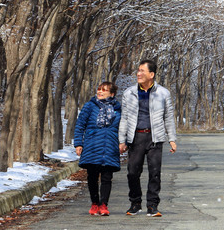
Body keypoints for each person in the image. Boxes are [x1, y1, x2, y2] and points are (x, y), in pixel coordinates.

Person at [119, 59, 177, 217]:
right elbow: (124, 118)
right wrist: (122, 141)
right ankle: (135, 203)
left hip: (155, 137)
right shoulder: (129, 93)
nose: (138, 74)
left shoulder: (163, 93)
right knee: (132, 172)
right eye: (138, 70)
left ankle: (152, 205)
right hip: (136, 136)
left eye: (142, 71)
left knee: (155, 173)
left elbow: (168, 117)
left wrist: (172, 139)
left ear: (151, 74)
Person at [74, 81, 122, 216]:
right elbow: (80, 125)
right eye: (99, 89)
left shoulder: (118, 109)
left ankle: (104, 205)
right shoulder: (90, 106)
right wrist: (78, 144)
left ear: (112, 94)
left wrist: (123, 143)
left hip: (110, 146)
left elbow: (123, 128)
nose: (100, 92)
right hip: (92, 146)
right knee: (92, 177)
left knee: (107, 177)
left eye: (104, 90)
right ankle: (95, 203)